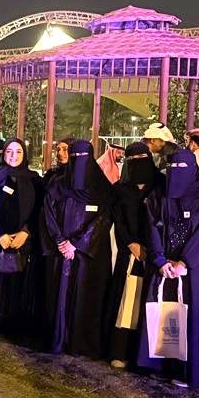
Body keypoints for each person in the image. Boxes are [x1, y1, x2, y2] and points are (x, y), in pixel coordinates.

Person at [137, 150, 199, 388]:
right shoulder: (158, 197)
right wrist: (160, 260)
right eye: (171, 168)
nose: (175, 173)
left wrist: (184, 263)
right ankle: (162, 365)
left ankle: (189, 370)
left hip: (193, 272)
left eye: (181, 168)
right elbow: (151, 228)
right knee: (163, 314)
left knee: (191, 317)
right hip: (164, 268)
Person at [42, 139, 113, 356]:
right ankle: (60, 340)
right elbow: (48, 213)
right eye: (74, 157)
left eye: (83, 157)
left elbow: (104, 219)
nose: (78, 162)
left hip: (90, 254)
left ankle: (83, 344)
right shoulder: (58, 185)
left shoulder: (102, 188)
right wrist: (60, 241)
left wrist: (77, 243)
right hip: (62, 252)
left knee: (86, 296)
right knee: (61, 297)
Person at [0, 139, 42, 339]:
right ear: (3, 154)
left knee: (20, 287)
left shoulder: (35, 180)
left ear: (24, 154)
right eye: (9, 152)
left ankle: (16, 328)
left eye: (18, 152)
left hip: (24, 244)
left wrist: (26, 232)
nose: (13, 156)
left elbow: (39, 211)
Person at [104, 142, 161, 369]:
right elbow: (118, 219)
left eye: (142, 158)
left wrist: (153, 247)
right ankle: (120, 350)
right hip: (129, 254)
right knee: (126, 303)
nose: (138, 164)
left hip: (155, 254)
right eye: (133, 160)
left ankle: (147, 356)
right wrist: (131, 243)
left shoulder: (161, 185)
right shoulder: (120, 189)